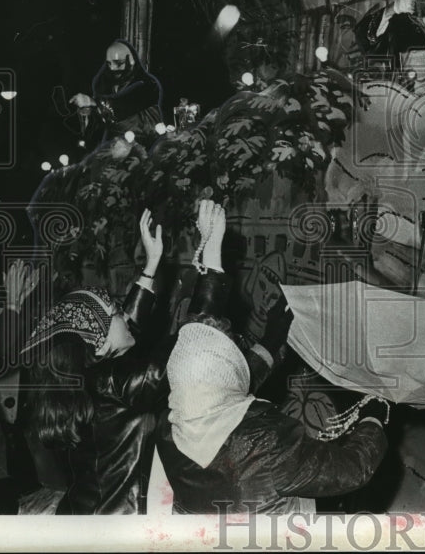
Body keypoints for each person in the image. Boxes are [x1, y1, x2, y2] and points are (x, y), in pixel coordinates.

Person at [157, 201, 389, 515]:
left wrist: (271, 338)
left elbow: (210, 356)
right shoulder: (263, 441)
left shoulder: (170, 427)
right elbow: (351, 470)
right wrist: (374, 418)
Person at [19, 209, 168, 514]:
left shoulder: (91, 372)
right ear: (98, 344)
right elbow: (194, 349)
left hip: (88, 512)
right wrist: (212, 268)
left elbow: (124, 328)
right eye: (115, 309)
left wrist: (150, 267)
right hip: (119, 527)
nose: (124, 312)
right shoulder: (115, 378)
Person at [70, 39, 163, 147]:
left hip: (144, 144)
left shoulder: (147, 84)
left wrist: (93, 102)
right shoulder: (104, 84)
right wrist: (90, 111)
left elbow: (124, 105)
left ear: (131, 61)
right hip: (113, 145)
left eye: (119, 63)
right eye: (109, 64)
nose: (113, 68)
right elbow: (100, 122)